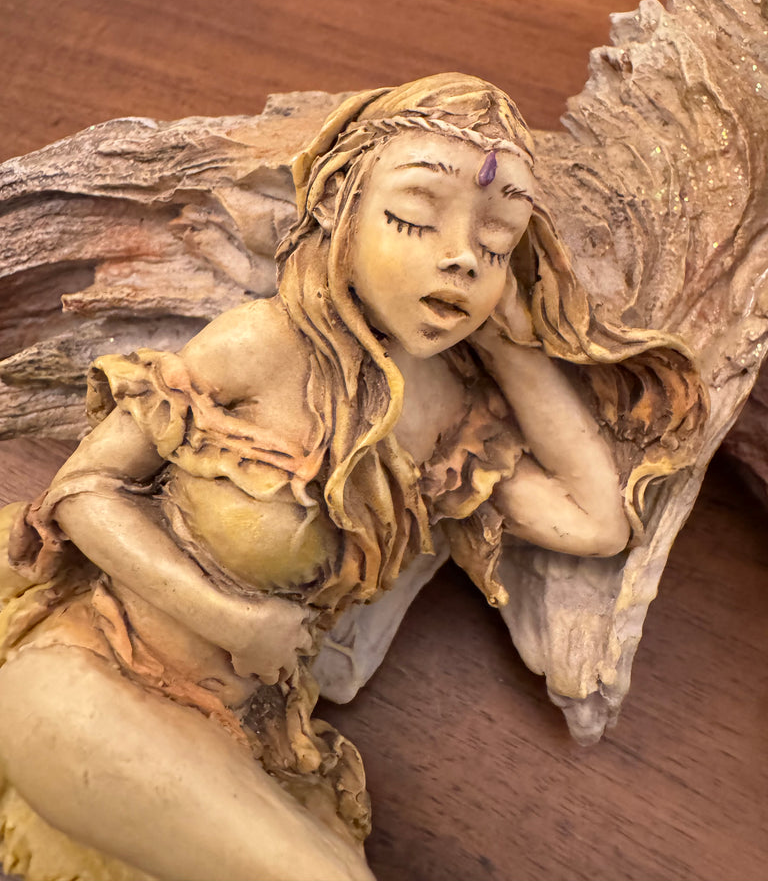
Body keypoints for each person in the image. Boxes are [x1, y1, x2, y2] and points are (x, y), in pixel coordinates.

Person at [0, 74, 706, 881]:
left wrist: (511, 347)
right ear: (341, 206)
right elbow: (82, 491)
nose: (460, 258)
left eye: (497, 242)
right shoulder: (261, 345)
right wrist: (234, 620)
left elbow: (595, 523)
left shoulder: (447, 419)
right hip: (91, 678)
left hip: (236, 734)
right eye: (414, 218)